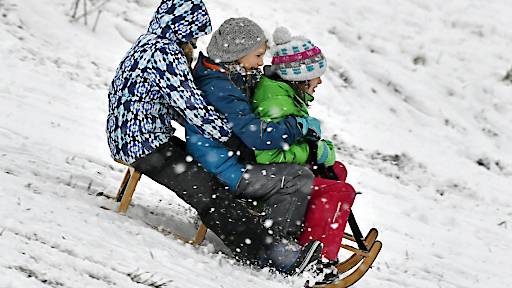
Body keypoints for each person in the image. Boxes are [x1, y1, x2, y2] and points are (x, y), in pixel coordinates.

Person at [105, 0, 321, 273]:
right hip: (143, 143)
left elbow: (177, 105)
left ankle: (269, 244)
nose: (194, 44)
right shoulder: (164, 54)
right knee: (209, 193)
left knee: (207, 182)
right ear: (183, 28)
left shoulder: (150, 44)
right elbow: (192, 108)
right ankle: (264, 252)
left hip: (138, 136)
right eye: (194, 36)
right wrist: (230, 135)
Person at [184, 18, 324, 273]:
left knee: (294, 168)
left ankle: (276, 240)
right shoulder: (219, 87)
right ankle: (277, 249)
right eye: (258, 56)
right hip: (222, 168)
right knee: (296, 177)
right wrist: (298, 126)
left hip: (228, 159)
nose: (261, 63)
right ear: (236, 53)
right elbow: (256, 136)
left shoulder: (226, 75)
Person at [252, 27, 357, 261]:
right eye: (316, 75)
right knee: (340, 190)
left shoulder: (284, 93)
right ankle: (318, 256)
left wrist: (313, 147)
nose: (319, 81)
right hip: (266, 178)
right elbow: (268, 156)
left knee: (337, 170)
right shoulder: (276, 100)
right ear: (298, 77)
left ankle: (308, 232)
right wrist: (312, 151)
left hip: (277, 172)